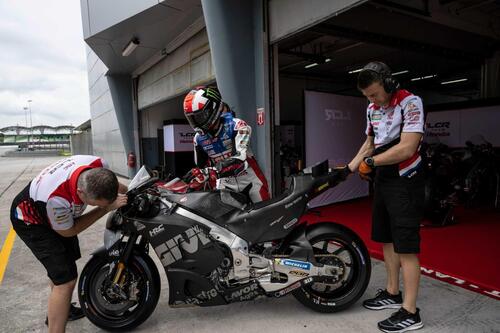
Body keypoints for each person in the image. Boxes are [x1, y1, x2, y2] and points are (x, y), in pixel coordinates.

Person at [347, 62, 425, 332]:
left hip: (405, 180)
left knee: (406, 245)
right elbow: (370, 143)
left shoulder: (410, 103)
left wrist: (370, 161)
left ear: (389, 84)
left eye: (375, 94)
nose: (372, 100)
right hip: (383, 179)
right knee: (387, 239)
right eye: (368, 96)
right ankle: (393, 294)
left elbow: (407, 147)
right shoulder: (372, 109)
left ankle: (411, 312)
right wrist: (348, 168)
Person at [10, 155, 128, 333]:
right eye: (95, 203)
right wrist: (104, 209)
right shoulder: (56, 199)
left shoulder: (98, 164)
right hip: (31, 220)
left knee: (65, 264)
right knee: (65, 280)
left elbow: (114, 185)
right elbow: (69, 231)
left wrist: (129, 192)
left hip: (57, 213)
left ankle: (61, 308)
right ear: (81, 193)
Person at [182, 86, 270, 203]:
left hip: (250, 178)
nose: (196, 123)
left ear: (213, 109)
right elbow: (202, 166)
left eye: (199, 116)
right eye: (192, 119)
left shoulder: (238, 125)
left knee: (264, 211)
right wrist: (199, 175)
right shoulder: (198, 139)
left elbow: (240, 157)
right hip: (225, 184)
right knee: (224, 218)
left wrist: (211, 171)